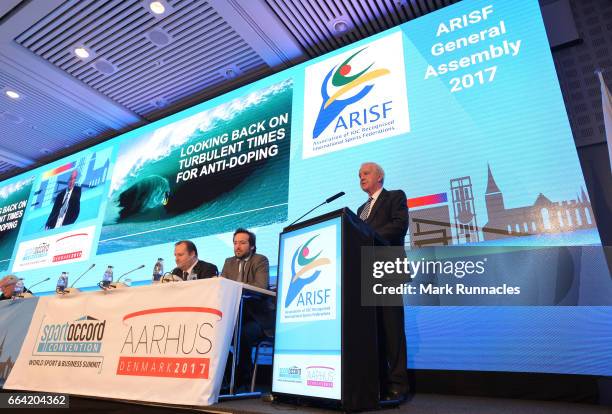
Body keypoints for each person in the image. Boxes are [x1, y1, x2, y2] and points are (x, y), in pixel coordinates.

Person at [357, 162, 409, 402]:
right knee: (372, 331)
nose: (361, 178)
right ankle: (377, 385)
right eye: (359, 175)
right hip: (365, 273)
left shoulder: (395, 197)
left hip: (387, 269)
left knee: (392, 329)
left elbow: (399, 227)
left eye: (366, 174)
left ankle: (398, 386)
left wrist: (366, 234)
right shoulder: (360, 209)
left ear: (380, 177)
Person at [221, 228, 274, 390]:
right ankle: (230, 375)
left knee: (242, 334)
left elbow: (260, 286)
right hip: (236, 316)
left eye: (242, 243)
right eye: (235, 243)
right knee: (216, 335)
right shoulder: (228, 262)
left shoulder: (260, 260)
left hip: (257, 317)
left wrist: (234, 287)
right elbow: (222, 287)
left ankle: (242, 379)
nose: (237, 247)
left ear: (251, 246)